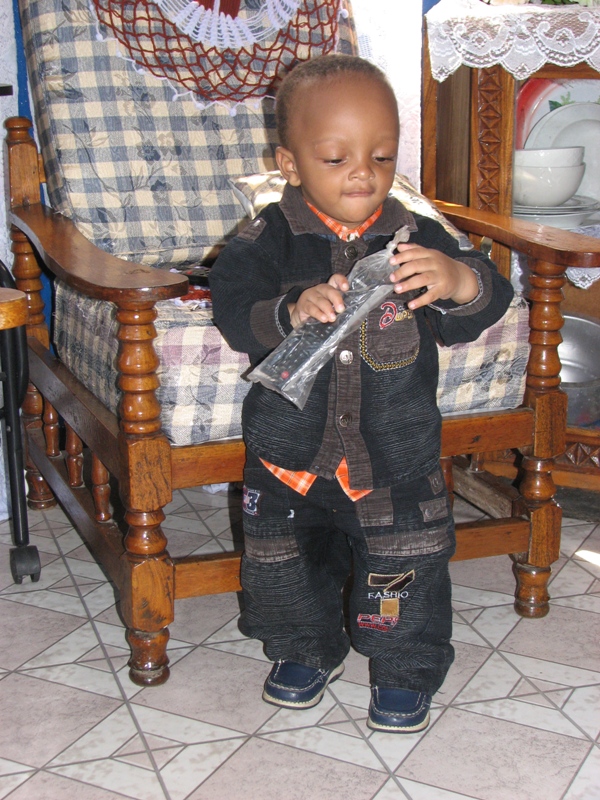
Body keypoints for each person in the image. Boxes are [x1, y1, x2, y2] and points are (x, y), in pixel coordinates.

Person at [209, 54, 514, 733]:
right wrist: (289, 310)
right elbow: (231, 305)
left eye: (381, 156)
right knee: (285, 566)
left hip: (392, 456)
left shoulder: (416, 236)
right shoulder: (267, 238)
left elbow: (484, 293)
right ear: (290, 164)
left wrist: (460, 280)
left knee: (404, 567)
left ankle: (404, 667)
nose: (363, 174)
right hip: (290, 455)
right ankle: (304, 649)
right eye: (336, 157)